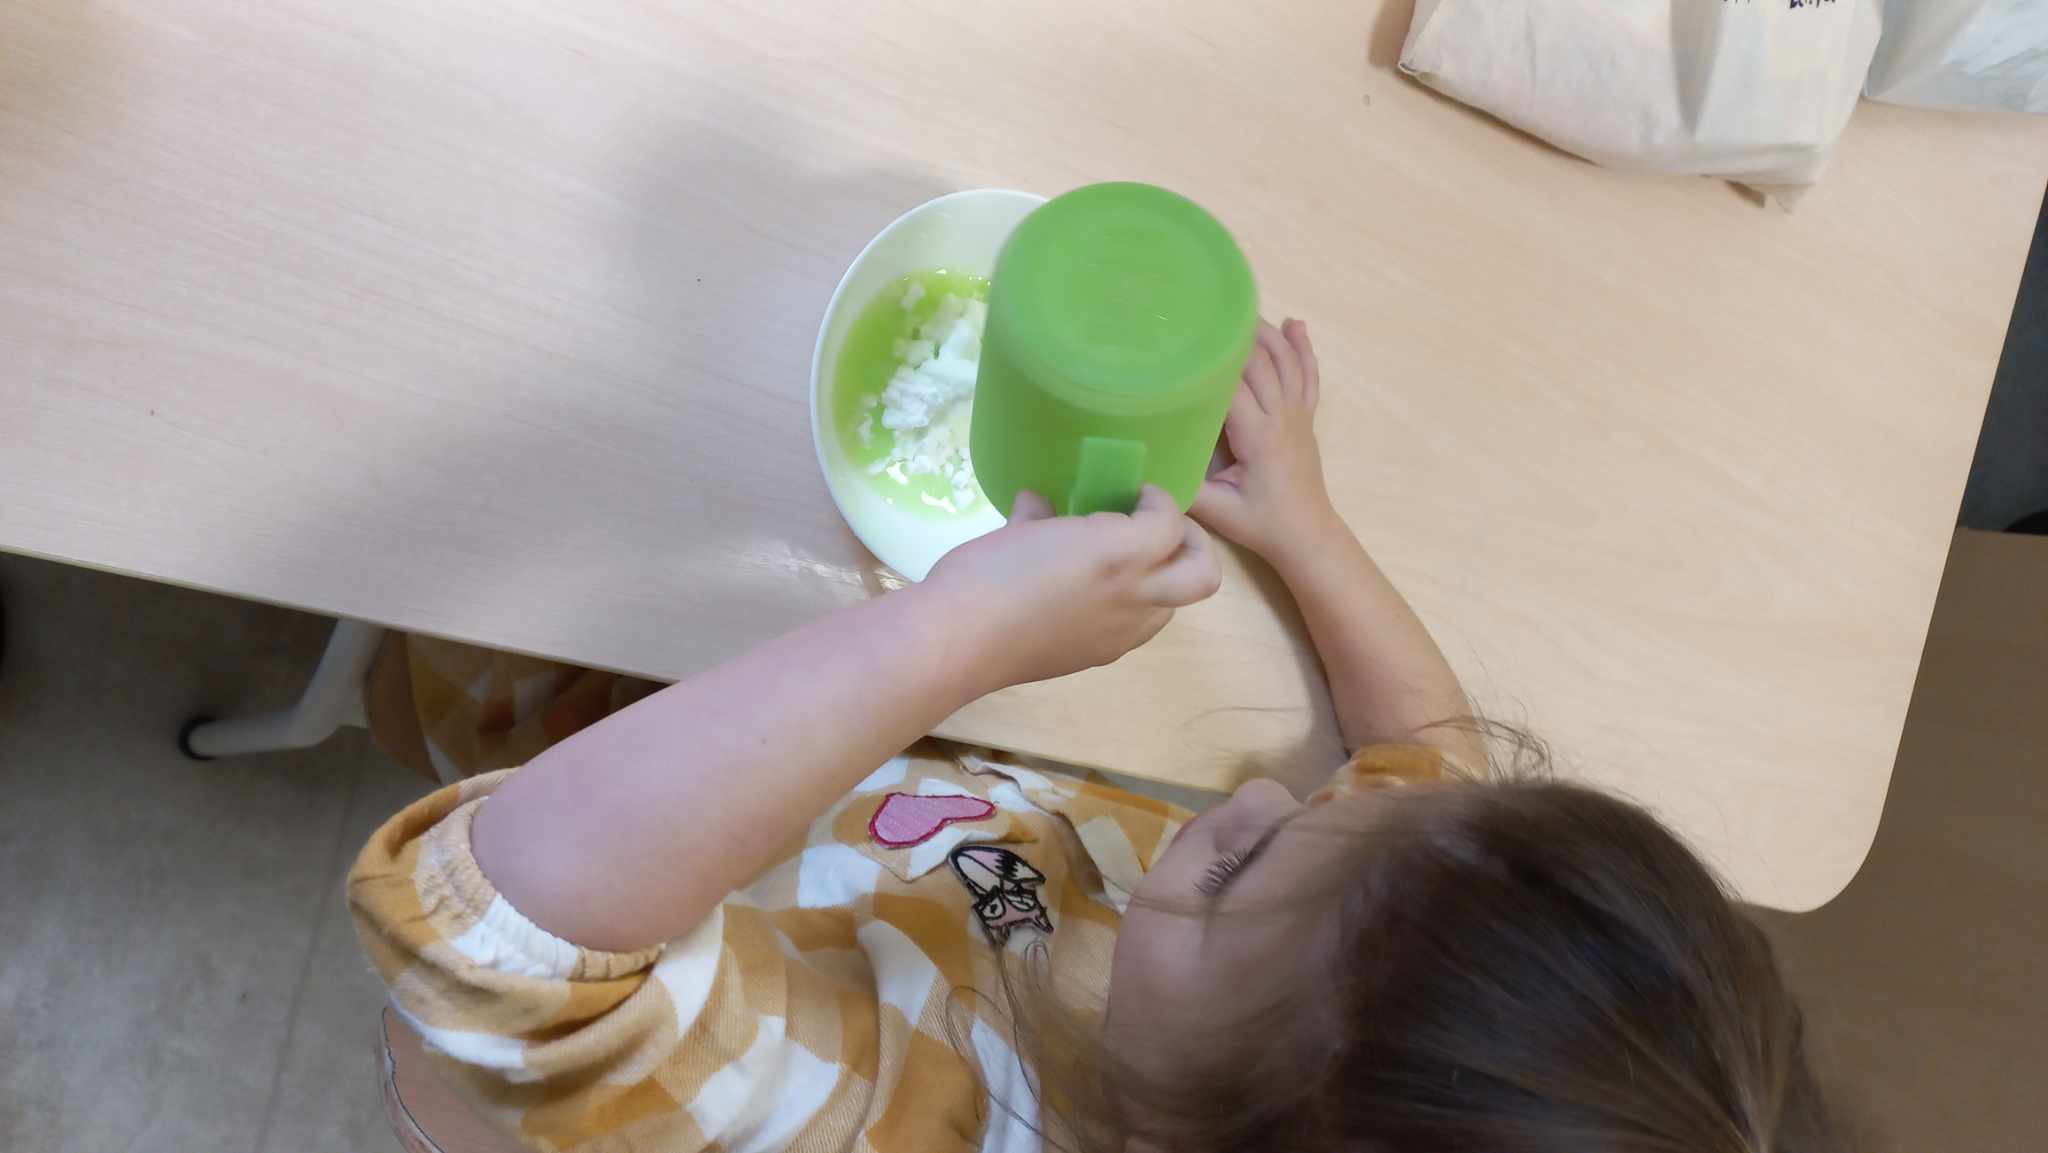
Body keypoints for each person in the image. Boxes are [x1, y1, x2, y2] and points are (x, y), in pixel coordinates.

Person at [350, 320, 1830, 1153]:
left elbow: (506, 934)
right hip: (897, 803)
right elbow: (1436, 757)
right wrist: (1307, 526)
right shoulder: (1358, 962)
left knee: (485, 589)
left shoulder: (890, 1113)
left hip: (635, 899)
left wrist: (959, 633)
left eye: (1239, 872)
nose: (1263, 803)